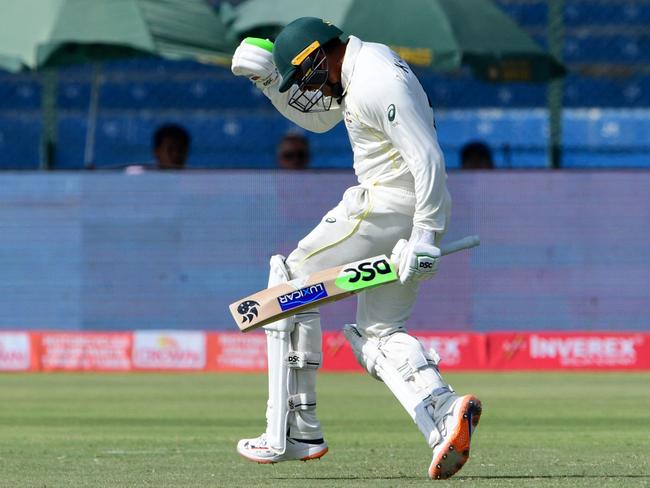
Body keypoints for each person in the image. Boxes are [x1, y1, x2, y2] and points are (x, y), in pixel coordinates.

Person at [230, 18, 482, 480]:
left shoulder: (377, 80)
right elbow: (323, 118)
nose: (307, 88)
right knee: (379, 334)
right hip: (409, 215)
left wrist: (425, 233)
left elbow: (427, 156)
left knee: (290, 283)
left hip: (388, 207)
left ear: (321, 55)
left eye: (303, 75)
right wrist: (270, 82)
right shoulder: (359, 69)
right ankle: (446, 414)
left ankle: (293, 430)